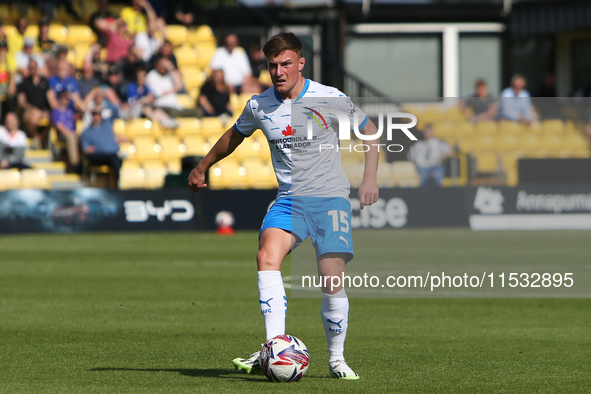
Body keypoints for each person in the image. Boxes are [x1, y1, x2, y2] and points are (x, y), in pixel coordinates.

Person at [188, 32, 380, 380]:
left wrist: (370, 179)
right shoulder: (259, 105)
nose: (279, 71)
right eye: (273, 65)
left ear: (300, 63)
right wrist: (203, 166)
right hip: (289, 199)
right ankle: (274, 347)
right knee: (266, 257)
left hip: (329, 198)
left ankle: (336, 359)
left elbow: (370, 131)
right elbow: (234, 135)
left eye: (286, 64)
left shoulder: (329, 97)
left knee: (331, 279)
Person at [81, 106, 124, 187]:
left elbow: (116, 108)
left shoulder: (107, 124)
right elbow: (86, 148)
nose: (96, 116)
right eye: (94, 114)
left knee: (116, 160)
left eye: (98, 114)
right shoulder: (87, 132)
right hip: (99, 156)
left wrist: (103, 105)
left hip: (112, 155)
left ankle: (116, 185)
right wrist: (88, 149)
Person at [17, 60, 51, 148]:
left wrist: (49, 110)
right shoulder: (24, 83)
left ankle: (39, 139)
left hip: (44, 110)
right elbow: (22, 102)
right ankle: (37, 137)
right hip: (30, 111)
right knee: (32, 119)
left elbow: (50, 98)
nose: (33, 70)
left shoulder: (45, 81)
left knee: (55, 118)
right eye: (31, 68)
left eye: (34, 67)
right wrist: (33, 110)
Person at [51, 91, 81, 171]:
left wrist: (75, 99)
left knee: (84, 137)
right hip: (63, 135)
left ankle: (85, 164)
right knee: (71, 137)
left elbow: (83, 110)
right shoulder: (56, 112)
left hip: (73, 134)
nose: (66, 100)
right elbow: (60, 127)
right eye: (64, 98)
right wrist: (71, 134)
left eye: (67, 99)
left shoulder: (71, 110)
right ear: (60, 99)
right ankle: (75, 164)